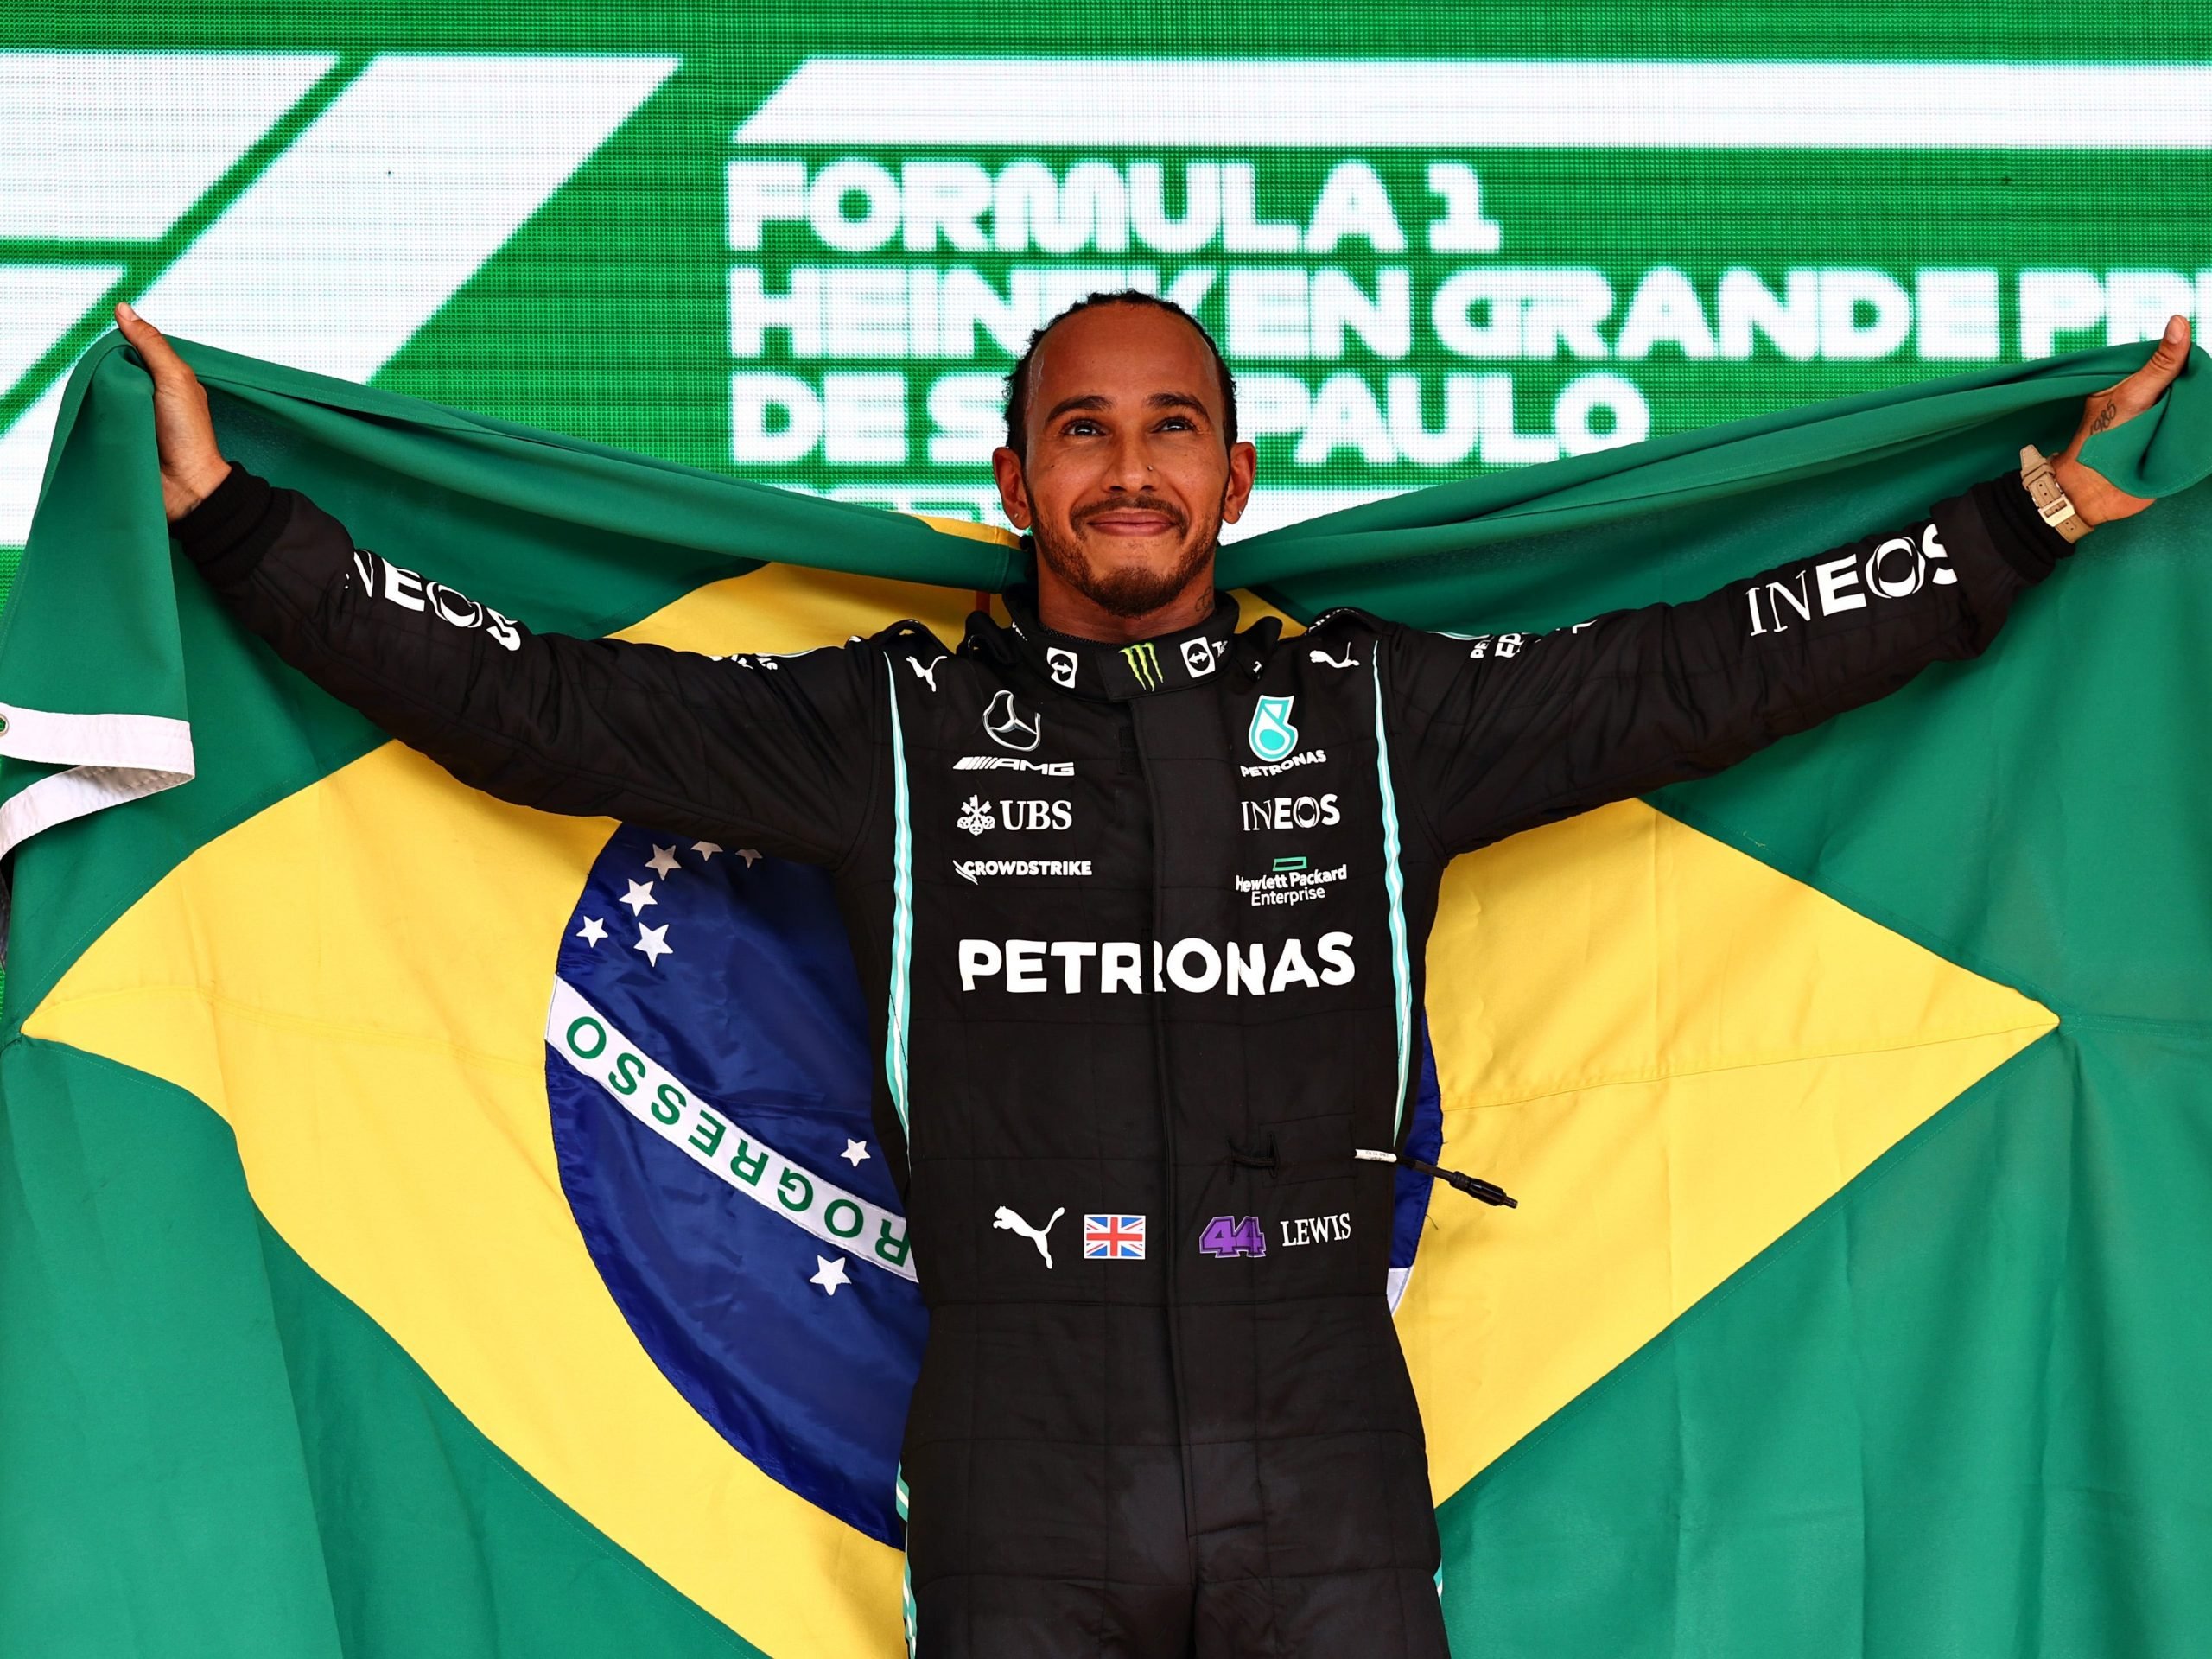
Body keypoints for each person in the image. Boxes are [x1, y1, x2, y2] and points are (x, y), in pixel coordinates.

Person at [113, 292, 2190, 1659]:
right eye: (1080, 434)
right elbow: (542, 708)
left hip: (1327, 1462)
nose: (1128, 468)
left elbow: (1703, 667)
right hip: (1018, 1455)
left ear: (1234, 479)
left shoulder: (1379, 720)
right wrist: (230, 524)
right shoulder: (887, 731)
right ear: (1012, 486)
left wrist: (2017, 520)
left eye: (1171, 428)